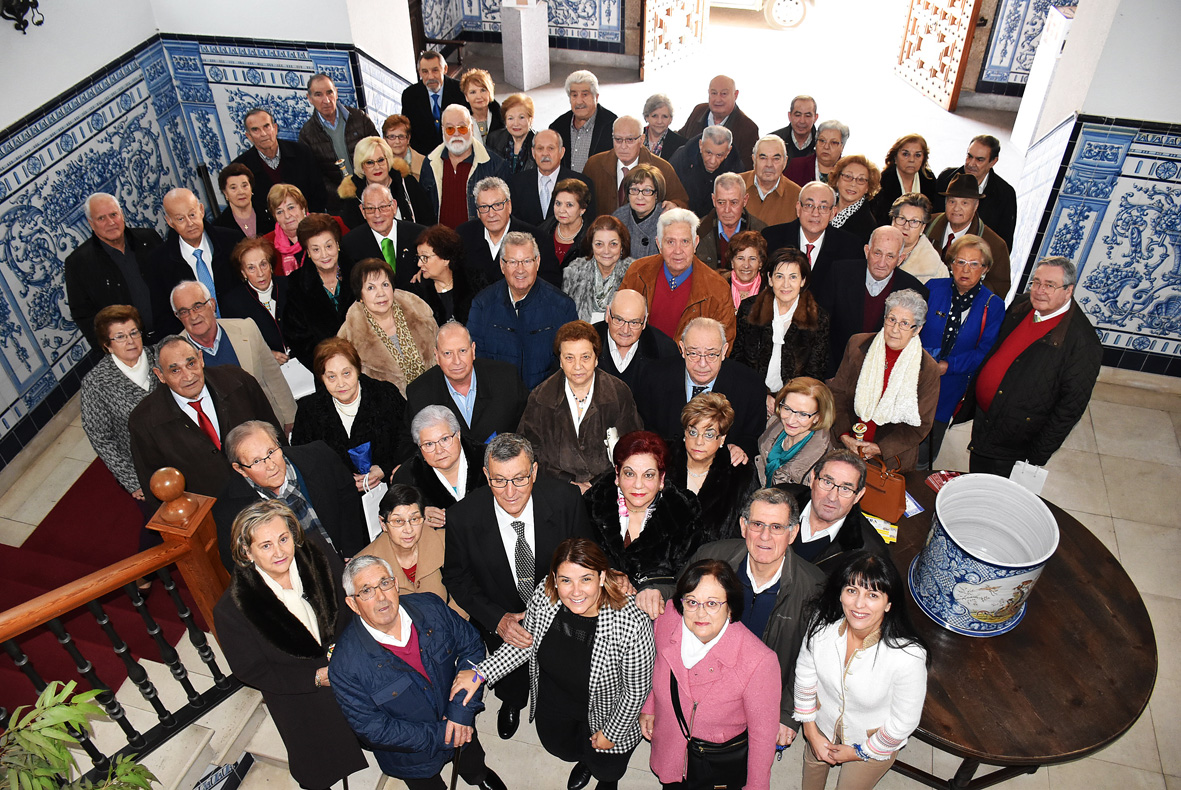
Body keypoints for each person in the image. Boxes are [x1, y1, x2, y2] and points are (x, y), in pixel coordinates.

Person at [452, 540, 655, 790]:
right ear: (555, 579)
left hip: (607, 711)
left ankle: (602, 776)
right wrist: (480, 673)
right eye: (566, 580)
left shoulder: (632, 622)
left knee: (606, 762)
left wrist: (612, 733)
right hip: (556, 700)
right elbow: (523, 643)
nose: (576, 592)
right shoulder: (546, 595)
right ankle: (584, 760)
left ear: (602, 577)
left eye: (586, 579)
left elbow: (635, 691)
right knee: (562, 747)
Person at [441, 433, 594, 739]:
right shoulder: (463, 517)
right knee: (511, 679)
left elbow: (587, 557)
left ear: (534, 471)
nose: (510, 492)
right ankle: (512, 701)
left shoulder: (566, 500)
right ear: (485, 475)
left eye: (520, 479)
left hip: (562, 616)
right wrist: (496, 619)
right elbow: (457, 577)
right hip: (502, 622)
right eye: (499, 480)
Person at [213, 500, 367, 790]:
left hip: (351, 664)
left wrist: (348, 650)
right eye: (266, 545)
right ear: (246, 551)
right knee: (321, 761)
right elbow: (251, 669)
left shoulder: (318, 553)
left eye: (284, 539)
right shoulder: (232, 609)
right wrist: (316, 677)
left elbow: (347, 606)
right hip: (300, 692)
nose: (280, 552)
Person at [329, 554, 507, 790]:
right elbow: (374, 729)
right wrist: (441, 733)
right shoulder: (344, 666)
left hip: (460, 720)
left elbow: (472, 646)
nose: (381, 596)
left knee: (472, 760)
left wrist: (460, 711)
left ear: (395, 584)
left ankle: (477, 774)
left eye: (385, 583)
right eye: (366, 591)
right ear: (353, 603)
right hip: (410, 756)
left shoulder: (430, 607)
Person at [674, 488, 827, 749]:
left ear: (792, 533)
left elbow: (813, 658)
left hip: (761, 699)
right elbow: (677, 613)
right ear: (743, 526)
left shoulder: (815, 588)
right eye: (757, 524)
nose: (765, 536)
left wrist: (787, 714)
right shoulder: (710, 558)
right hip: (702, 686)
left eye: (777, 527)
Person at [640, 560, 781, 790]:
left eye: (713, 603)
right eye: (692, 602)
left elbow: (763, 738)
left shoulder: (759, 662)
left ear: (731, 608)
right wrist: (651, 705)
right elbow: (662, 667)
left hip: (714, 763)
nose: (701, 613)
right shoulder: (668, 620)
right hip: (670, 746)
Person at [794, 550, 928, 790]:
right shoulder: (821, 625)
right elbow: (805, 676)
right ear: (841, 594)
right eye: (852, 590)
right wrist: (810, 730)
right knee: (811, 772)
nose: (858, 604)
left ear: (888, 603)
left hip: (873, 740)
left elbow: (903, 722)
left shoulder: (908, 656)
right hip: (822, 723)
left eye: (872, 595)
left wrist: (858, 752)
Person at [956, 256, 1102, 477]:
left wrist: (1036, 456)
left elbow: (1070, 409)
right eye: (1036, 282)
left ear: (1068, 290)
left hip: (1015, 442)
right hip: (985, 421)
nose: (1040, 290)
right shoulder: (1021, 305)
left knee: (995, 495)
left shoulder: (1083, 343)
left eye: (1050, 285)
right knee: (977, 477)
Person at [129, 335, 283, 509]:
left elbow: (276, 437)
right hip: (211, 516)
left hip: (271, 496)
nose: (188, 376)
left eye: (191, 363)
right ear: (160, 375)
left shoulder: (238, 381)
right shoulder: (145, 422)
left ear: (201, 359)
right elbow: (157, 488)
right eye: (175, 370)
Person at [213, 421, 369, 570]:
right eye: (257, 461)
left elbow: (348, 500)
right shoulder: (228, 510)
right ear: (240, 469)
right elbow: (239, 563)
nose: (271, 465)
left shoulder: (319, 456)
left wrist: (352, 553)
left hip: (345, 559)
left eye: (271, 452)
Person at [518, 321, 643, 490]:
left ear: (596, 359)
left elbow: (632, 448)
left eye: (585, 357)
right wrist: (568, 482)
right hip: (555, 489)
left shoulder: (618, 393)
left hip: (609, 489)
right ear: (560, 361)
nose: (578, 366)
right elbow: (528, 452)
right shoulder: (541, 398)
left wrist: (595, 483)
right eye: (569, 358)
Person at [828, 290, 940, 472]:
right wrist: (843, 434)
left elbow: (921, 425)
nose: (895, 329)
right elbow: (838, 393)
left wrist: (880, 448)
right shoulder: (858, 345)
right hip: (845, 445)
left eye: (905, 324)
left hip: (890, 459)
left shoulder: (927, 369)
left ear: (917, 329)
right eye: (891, 319)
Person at [583, 431, 703, 596]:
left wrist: (655, 588)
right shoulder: (592, 505)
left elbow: (690, 580)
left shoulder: (684, 514)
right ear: (617, 474)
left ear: (661, 479)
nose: (638, 485)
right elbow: (578, 560)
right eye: (630, 474)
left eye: (648, 475)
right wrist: (608, 573)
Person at [918, 235, 1004, 465]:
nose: (966, 270)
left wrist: (949, 366)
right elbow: (913, 327)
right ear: (950, 264)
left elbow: (985, 351)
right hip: (916, 373)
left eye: (974, 264)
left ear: (984, 269)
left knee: (926, 447)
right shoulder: (933, 288)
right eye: (960, 261)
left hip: (951, 384)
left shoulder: (992, 305)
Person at [171, 280, 297, 429]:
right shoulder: (175, 354)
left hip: (268, 424)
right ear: (177, 316)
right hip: (223, 439)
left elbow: (273, 377)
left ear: (212, 304)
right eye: (184, 312)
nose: (193, 316)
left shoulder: (246, 328)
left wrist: (290, 419)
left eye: (197, 306)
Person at [634, 317, 765, 457]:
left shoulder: (750, 385)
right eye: (694, 353)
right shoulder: (654, 377)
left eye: (711, 354)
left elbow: (752, 437)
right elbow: (643, 428)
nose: (702, 364)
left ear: (724, 351)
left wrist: (739, 450)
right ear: (682, 349)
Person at [290, 336, 409, 491]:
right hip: (339, 496)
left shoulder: (385, 395)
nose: (340, 383)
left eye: (346, 373)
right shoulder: (309, 411)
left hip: (394, 486)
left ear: (357, 370)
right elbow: (305, 462)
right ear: (322, 378)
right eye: (331, 376)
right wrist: (341, 481)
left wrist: (384, 468)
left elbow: (409, 440)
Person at [810, 225, 929, 377]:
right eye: (877, 253)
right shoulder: (839, 273)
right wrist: (829, 374)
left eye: (890, 256)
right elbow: (820, 326)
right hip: (834, 372)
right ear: (867, 251)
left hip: (880, 377)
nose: (881, 263)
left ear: (900, 259)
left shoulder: (914, 291)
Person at [467, 231, 579, 389]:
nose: (520, 270)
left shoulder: (562, 306)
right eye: (513, 262)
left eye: (527, 261)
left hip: (547, 401)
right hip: (499, 401)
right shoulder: (482, 304)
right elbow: (476, 360)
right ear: (502, 265)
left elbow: (571, 360)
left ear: (538, 262)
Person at [618, 208, 736, 347]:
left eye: (685, 241)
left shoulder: (718, 288)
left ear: (696, 243)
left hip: (689, 366)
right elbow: (619, 325)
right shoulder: (637, 272)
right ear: (659, 244)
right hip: (640, 363)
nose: (678, 251)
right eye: (670, 242)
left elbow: (723, 344)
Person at [80, 306, 158, 512]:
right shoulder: (96, 383)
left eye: (134, 333)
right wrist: (132, 480)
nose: (130, 341)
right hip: (142, 469)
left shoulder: (160, 357)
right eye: (120, 337)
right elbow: (101, 438)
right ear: (107, 346)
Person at [403, 321, 529, 446]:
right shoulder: (419, 393)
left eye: (462, 351)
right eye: (447, 353)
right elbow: (409, 445)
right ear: (437, 356)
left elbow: (529, 426)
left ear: (473, 350)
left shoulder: (506, 378)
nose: (457, 361)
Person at [65, 193, 161, 348]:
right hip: (129, 348)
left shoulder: (149, 238)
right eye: (101, 218)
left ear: (121, 214)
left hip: (172, 332)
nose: (110, 222)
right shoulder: (78, 263)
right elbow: (83, 314)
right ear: (91, 223)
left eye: (113, 214)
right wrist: (109, 348)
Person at [359, 483, 466, 615]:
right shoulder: (364, 565)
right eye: (398, 521)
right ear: (383, 523)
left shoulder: (444, 541)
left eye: (414, 519)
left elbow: (465, 590)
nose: (408, 530)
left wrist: (450, 624)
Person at [146, 188, 240, 336]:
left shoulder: (232, 241)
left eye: (192, 214)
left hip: (241, 330)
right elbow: (163, 317)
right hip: (195, 342)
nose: (190, 223)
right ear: (169, 221)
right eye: (180, 219)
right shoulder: (157, 262)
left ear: (201, 210)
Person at [337, 257, 437, 396]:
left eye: (385, 284)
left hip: (436, 395)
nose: (381, 293)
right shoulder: (348, 337)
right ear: (360, 295)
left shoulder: (418, 310)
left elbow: (440, 354)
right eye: (371, 288)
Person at [733, 247, 830, 391]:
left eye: (793, 277)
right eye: (779, 276)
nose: (786, 284)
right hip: (751, 391)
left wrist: (784, 401)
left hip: (795, 398)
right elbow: (738, 359)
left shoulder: (817, 318)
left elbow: (814, 373)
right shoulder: (750, 308)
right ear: (770, 279)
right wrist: (761, 395)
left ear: (802, 281)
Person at [667, 393, 758, 543]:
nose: (699, 441)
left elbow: (748, 527)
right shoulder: (661, 461)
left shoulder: (740, 473)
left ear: (722, 438)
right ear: (685, 433)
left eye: (709, 435)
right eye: (693, 432)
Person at [777, 449, 888, 571]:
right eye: (827, 482)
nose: (832, 497)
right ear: (813, 478)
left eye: (845, 488)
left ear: (858, 496)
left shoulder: (868, 552)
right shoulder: (779, 499)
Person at [456, 176, 561, 286]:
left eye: (497, 205)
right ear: (477, 212)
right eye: (484, 207)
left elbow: (550, 286)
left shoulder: (538, 239)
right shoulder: (463, 235)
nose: (491, 214)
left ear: (509, 206)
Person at [390, 405, 486, 523]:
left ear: (458, 434)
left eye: (445, 439)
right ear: (419, 446)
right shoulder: (406, 477)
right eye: (429, 444)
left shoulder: (488, 459)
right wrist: (416, 516)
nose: (439, 451)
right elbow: (394, 519)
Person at [284, 214, 355, 369]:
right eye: (316, 249)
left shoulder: (358, 273)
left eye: (328, 246)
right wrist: (328, 367)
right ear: (308, 252)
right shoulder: (296, 284)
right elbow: (299, 339)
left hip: (372, 365)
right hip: (327, 371)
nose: (324, 255)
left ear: (337, 244)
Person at [422, 104, 511, 228]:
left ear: (471, 128)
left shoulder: (495, 165)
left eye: (462, 128)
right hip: (440, 243)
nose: (456, 134)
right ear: (443, 130)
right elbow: (424, 211)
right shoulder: (430, 163)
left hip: (478, 243)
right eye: (450, 129)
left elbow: (504, 213)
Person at [924, 173, 1011, 299]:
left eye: (964, 203)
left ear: (976, 206)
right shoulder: (925, 225)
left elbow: (999, 288)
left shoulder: (995, 245)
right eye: (952, 201)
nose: (956, 208)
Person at [585, 116, 689, 218]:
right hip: (603, 231)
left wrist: (674, 206)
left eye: (630, 139)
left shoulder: (661, 168)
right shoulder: (594, 165)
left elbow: (681, 202)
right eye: (618, 139)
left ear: (642, 139)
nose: (623, 146)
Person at [232, 107, 328, 216]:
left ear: (275, 128)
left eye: (266, 126)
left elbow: (319, 192)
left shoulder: (301, 152)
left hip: (308, 221)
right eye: (255, 130)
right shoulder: (241, 168)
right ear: (249, 136)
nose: (263, 134)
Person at [298, 73, 380, 196]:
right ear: (309, 98)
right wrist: (341, 193)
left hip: (373, 192)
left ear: (336, 93)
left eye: (329, 92)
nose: (326, 100)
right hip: (339, 203)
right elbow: (314, 176)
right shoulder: (307, 134)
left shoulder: (359, 118)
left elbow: (379, 151)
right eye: (318, 95)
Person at [934, 134, 1017, 248]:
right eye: (969, 156)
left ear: (993, 162)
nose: (971, 164)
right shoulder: (946, 178)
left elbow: (1004, 242)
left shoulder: (1005, 194)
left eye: (979, 160)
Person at [339, 182, 428, 289]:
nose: (377, 214)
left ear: (394, 206)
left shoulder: (420, 235)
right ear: (363, 211)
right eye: (370, 209)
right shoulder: (350, 244)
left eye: (383, 206)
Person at [760, 181, 862, 273]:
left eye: (823, 207)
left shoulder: (850, 247)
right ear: (798, 208)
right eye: (809, 205)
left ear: (832, 213)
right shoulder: (771, 238)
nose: (815, 213)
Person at [592, 288, 679, 392]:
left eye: (634, 323)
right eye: (619, 320)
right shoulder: (586, 341)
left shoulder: (665, 351)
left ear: (645, 320)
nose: (625, 330)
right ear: (607, 315)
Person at [336, 135, 432, 229]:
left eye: (381, 160)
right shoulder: (354, 198)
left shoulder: (407, 183)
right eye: (369, 162)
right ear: (361, 166)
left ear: (388, 160)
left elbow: (428, 221)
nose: (377, 167)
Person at [219, 237, 289, 362]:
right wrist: (266, 355)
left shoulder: (290, 287)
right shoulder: (233, 303)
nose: (260, 273)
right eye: (251, 268)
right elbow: (238, 345)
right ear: (243, 273)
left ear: (271, 266)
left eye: (263, 264)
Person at [756, 378, 834, 486]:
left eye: (802, 414)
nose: (791, 420)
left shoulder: (826, 464)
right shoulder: (773, 424)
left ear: (818, 417)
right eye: (787, 408)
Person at [510, 129, 595, 226]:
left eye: (551, 148)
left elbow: (589, 225)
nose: (545, 154)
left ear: (562, 152)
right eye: (540, 148)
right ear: (533, 153)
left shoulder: (582, 183)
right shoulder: (516, 183)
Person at [676, 75, 759, 171]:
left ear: (735, 95)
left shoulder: (748, 128)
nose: (718, 99)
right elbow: (681, 141)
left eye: (723, 94)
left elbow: (746, 173)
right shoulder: (698, 111)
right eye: (714, 93)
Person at [563, 215, 634, 323]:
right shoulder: (574, 272)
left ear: (622, 246)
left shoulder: (634, 273)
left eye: (613, 244)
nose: (606, 251)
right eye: (599, 244)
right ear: (591, 246)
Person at [411, 223, 486, 325]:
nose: (419, 264)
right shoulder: (415, 293)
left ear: (446, 259)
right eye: (419, 257)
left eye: (425, 258)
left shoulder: (475, 284)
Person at [400, 49, 469, 157]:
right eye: (425, 72)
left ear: (445, 69)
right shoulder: (409, 95)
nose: (430, 76)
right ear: (420, 73)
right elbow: (408, 129)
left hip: (457, 152)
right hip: (424, 156)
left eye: (435, 70)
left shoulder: (461, 91)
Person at [696, 172, 767, 272]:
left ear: (745, 200)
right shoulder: (698, 231)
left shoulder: (761, 231)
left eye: (734, 202)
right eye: (721, 202)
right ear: (713, 200)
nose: (727, 210)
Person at [549, 70, 619, 171]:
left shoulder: (612, 125)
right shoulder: (557, 127)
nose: (579, 101)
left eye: (585, 95)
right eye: (574, 95)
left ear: (596, 97)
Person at [870, 133, 939, 221]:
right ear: (895, 157)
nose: (911, 160)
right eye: (905, 154)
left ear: (924, 158)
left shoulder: (929, 180)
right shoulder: (881, 182)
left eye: (917, 155)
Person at [741, 135, 801, 226]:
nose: (769, 164)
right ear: (754, 159)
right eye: (763, 158)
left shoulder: (797, 195)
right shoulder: (734, 184)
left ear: (785, 162)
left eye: (776, 159)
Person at [612, 164, 666, 261]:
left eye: (647, 191)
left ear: (656, 194)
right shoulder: (618, 218)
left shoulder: (667, 221)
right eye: (634, 190)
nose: (640, 197)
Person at [890, 194, 946, 284]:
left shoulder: (936, 271)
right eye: (902, 218)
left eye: (914, 221)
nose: (906, 226)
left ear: (923, 227)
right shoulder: (874, 249)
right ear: (893, 220)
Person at [827, 155, 880, 245]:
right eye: (848, 176)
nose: (853, 184)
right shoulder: (824, 204)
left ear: (867, 187)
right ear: (837, 179)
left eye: (861, 179)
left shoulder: (867, 225)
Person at [540, 178, 590, 268]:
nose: (561, 210)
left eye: (569, 205)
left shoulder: (592, 239)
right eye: (558, 204)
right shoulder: (542, 231)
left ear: (582, 209)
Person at [213, 163, 272, 238]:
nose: (241, 192)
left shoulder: (269, 214)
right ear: (225, 193)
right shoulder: (219, 226)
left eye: (244, 186)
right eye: (233, 188)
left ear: (251, 188)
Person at [784, 119, 848, 187]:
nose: (826, 147)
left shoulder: (848, 170)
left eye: (833, 142)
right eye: (822, 140)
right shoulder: (797, 166)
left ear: (842, 147)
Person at [484, 93, 536, 174]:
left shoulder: (540, 144)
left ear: (531, 119)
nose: (516, 123)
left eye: (521, 117)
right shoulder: (494, 139)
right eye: (510, 118)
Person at [723, 229, 766, 309]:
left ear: (760, 263)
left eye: (752, 259)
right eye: (740, 258)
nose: (746, 265)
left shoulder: (769, 292)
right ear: (732, 262)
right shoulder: (719, 287)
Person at [460, 68, 502, 144]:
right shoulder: (460, 122)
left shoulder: (503, 118)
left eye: (483, 90)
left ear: (490, 93)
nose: (479, 96)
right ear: (466, 97)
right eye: (473, 92)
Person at [770, 95, 819, 161]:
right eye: (798, 115)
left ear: (815, 118)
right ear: (789, 116)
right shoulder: (773, 141)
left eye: (807, 116)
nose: (802, 121)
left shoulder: (822, 144)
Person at [641, 93, 685, 161]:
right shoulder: (634, 138)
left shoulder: (681, 145)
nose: (659, 121)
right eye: (655, 116)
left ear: (670, 119)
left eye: (664, 116)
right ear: (646, 117)